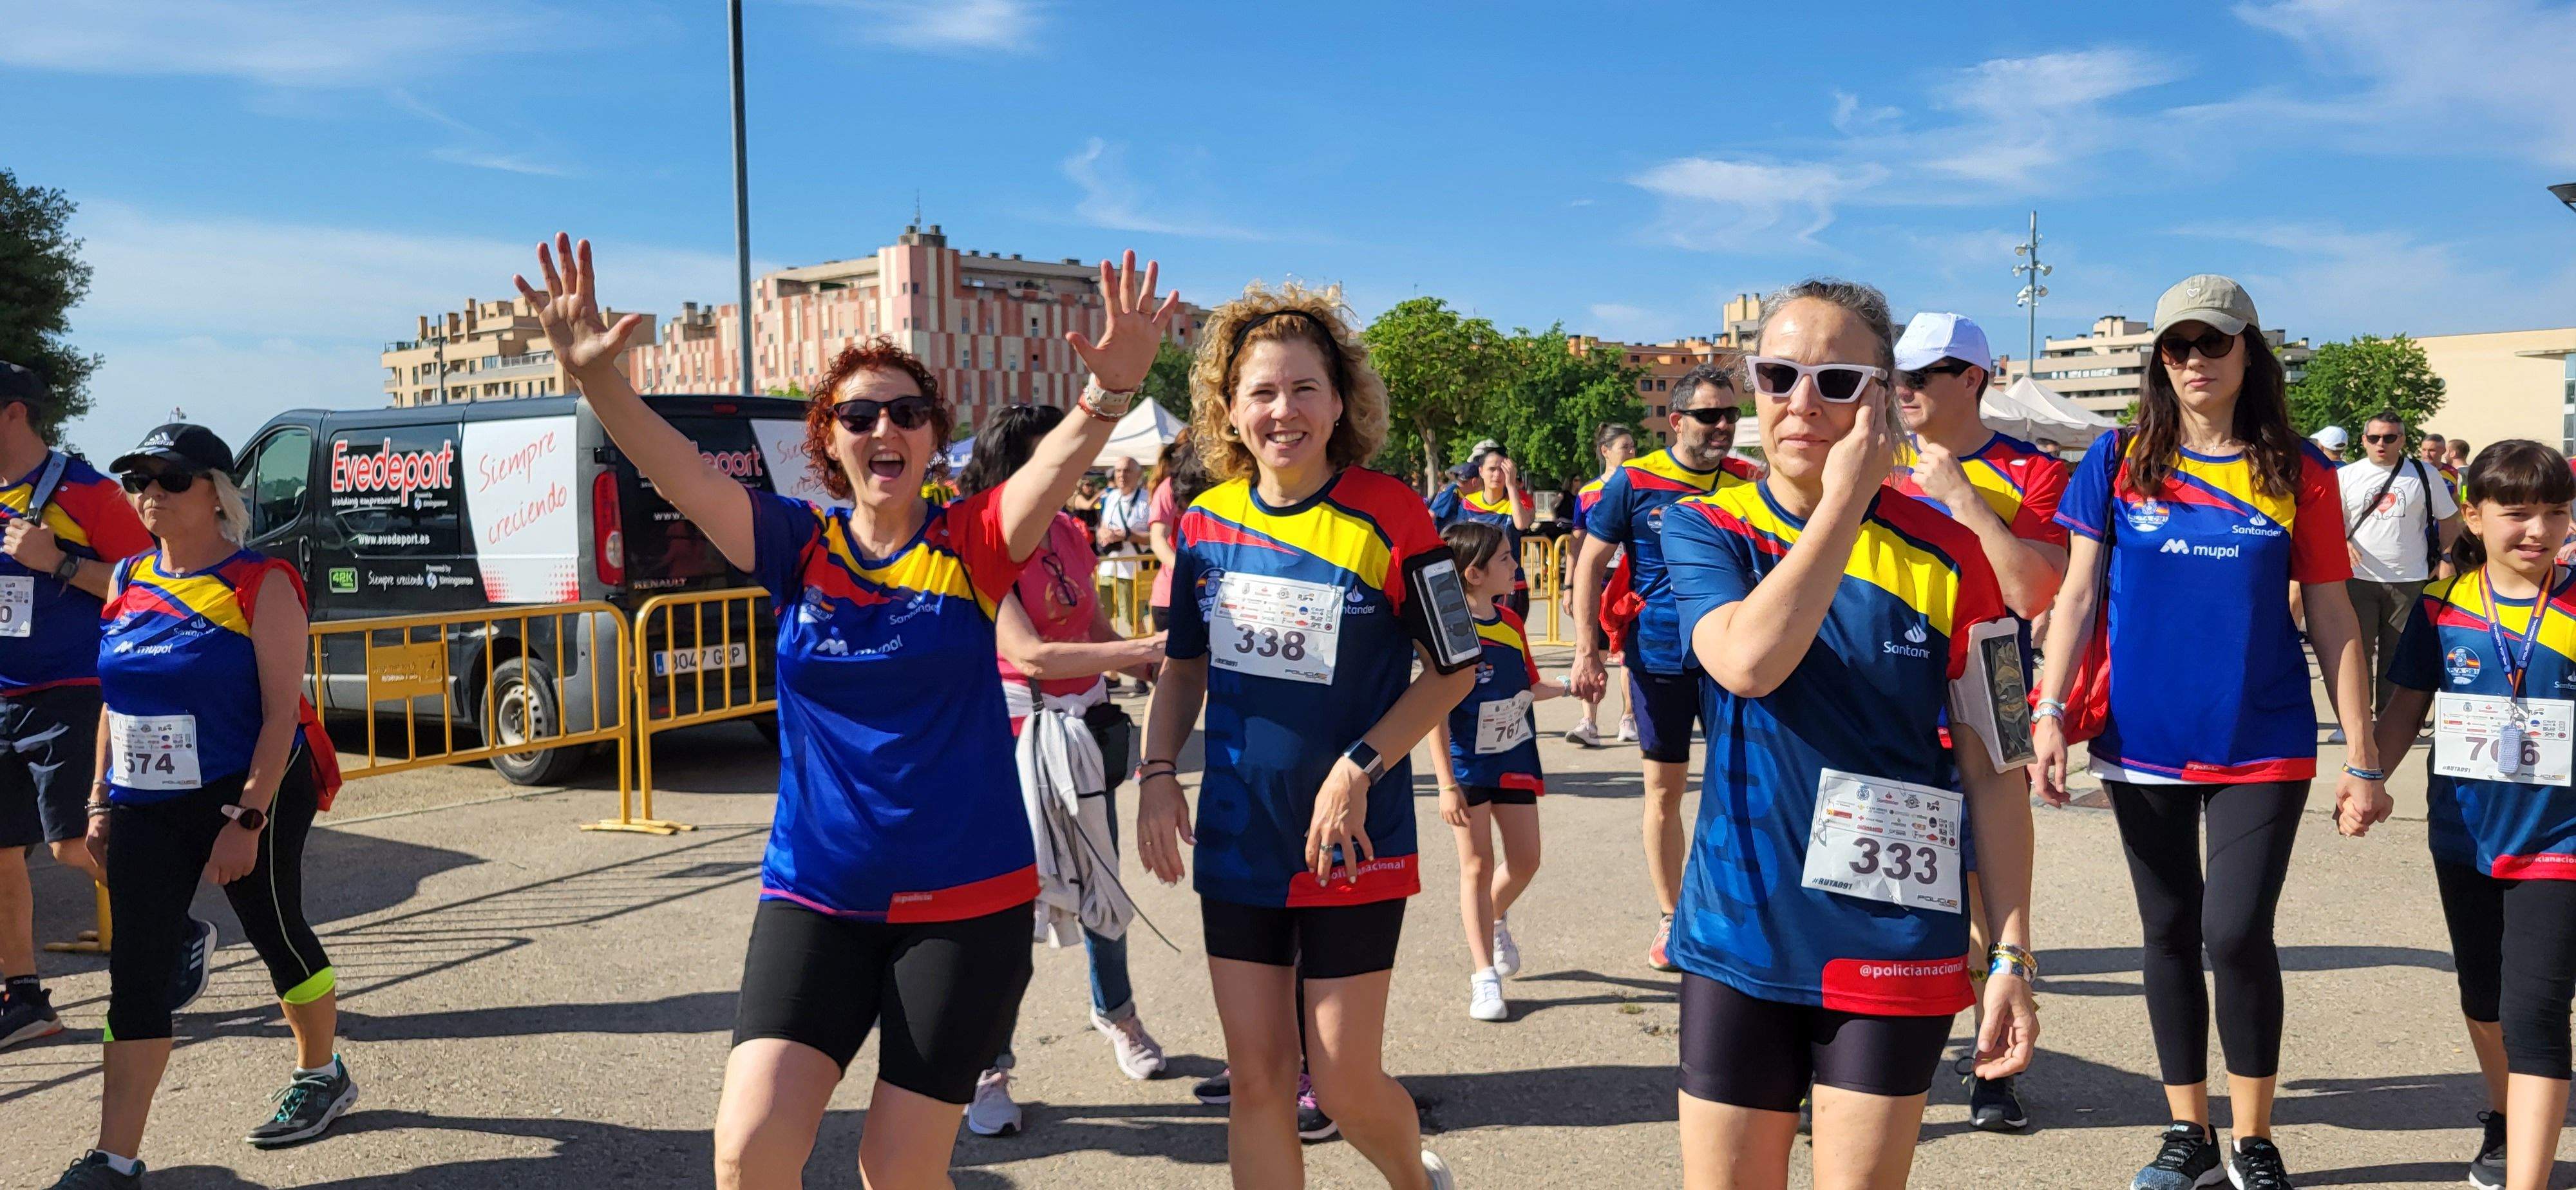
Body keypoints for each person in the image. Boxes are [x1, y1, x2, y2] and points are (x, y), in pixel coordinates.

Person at [511, 235, 1174, 1188]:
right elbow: (680, 472)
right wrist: (596, 379)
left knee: (896, 1169)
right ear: (828, 441)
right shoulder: (796, 546)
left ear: (932, 437)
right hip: (817, 896)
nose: (882, 428)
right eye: (858, 415)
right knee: (748, 1151)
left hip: (965, 904)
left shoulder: (973, 542)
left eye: (906, 412)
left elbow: (1057, 466)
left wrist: (1109, 392)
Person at [1661, 279, 2038, 1190]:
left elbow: (2000, 767)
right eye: (1778, 375)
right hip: (1740, 930)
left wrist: (2012, 953)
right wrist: (1843, 504)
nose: (1801, 402)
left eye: (1835, 381)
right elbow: (1747, 662)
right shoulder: (1705, 526)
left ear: (1880, 397)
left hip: (1894, 934)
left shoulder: (1953, 554)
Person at [2033, 274, 2388, 1190]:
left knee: (2234, 935)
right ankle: (2185, 1130)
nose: (2195, 359)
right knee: (2167, 932)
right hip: (2140, 739)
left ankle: (2253, 1138)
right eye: (2177, 345)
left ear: (2247, 352)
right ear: (2159, 359)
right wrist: (2047, 710)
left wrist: (2363, 756)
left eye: (2214, 342)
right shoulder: (2116, 458)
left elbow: (2334, 614)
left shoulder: (2298, 468)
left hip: (2262, 736)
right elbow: (2076, 595)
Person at [1133, 282, 1478, 1189]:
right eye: (1261, 392)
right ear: (1229, 409)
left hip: (1352, 837)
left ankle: (1416, 1181)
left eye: (1303, 389)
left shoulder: (1392, 514)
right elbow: (1183, 669)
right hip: (1242, 833)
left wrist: (1360, 765)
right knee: (1257, 1080)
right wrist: (1158, 770)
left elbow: (1456, 668)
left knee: (1342, 1081)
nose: (1282, 411)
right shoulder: (1205, 523)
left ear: (1339, 402)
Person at [49, 423, 351, 1190]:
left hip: (248, 786)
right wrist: (98, 802)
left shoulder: (260, 581)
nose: (151, 493)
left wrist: (246, 819)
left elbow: (281, 715)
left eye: (171, 478)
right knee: (136, 973)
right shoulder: (126, 578)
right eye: (139, 479)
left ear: (217, 493)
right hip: (145, 799)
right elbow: (115, 702)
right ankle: (114, 1159)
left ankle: (321, 1072)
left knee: (274, 927)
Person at [954, 405, 1171, 1138]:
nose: (1074, 464)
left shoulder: (1069, 531)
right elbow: (1031, 654)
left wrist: (1145, 662)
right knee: (1008, 907)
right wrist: (1140, 650)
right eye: (1059, 452)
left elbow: (1090, 627)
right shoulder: (983, 537)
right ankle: (988, 1065)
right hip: (1014, 741)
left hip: (1086, 731)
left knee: (1102, 878)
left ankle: (1118, 1014)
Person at [2374, 439, 2575, 1190]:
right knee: (2482, 996)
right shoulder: (2441, 606)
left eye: (2554, 512)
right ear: (2475, 514)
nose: (2537, 530)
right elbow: (2404, 707)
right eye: (2516, 513)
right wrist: (2365, 777)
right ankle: (2504, 1115)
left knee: (2536, 1012)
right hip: (2464, 832)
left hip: (2561, 838)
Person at [1886, 311, 2069, 1134]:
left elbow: (2032, 592)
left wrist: (1961, 496)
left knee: (1992, 887)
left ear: (1971, 379)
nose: (1902, 390)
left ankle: (1992, 1060)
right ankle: (1863, 1058)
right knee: (1890, 876)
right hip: (1893, 664)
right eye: (1896, 375)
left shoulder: (2033, 470)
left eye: (1919, 375)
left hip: (1994, 667)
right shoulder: (1872, 457)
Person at [1566, 363, 1756, 972]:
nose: (1723, 425)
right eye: (1709, 415)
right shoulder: (1635, 479)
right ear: (1676, 421)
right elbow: (1589, 566)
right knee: (1665, 791)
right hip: (1660, 657)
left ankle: (1735, 912)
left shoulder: (1747, 480)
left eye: (1731, 414)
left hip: (1735, 658)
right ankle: (1672, 916)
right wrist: (1587, 649)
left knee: (1742, 787)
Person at [0, 361, 155, 1053]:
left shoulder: (88, 492)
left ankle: (178, 926)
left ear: (15, 413)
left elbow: (150, 586)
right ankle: (24, 999)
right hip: (3, 695)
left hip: (73, 692)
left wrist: (58, 562)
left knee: (73, 845)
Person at [1426, 520, 1562, 1023]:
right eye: (1505, 558)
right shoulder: (1451, 626)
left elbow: (1528, 685)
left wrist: (1573, 685)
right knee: (1477, 866)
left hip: (1513, 755)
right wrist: (1445, 784)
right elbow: (1434, 710)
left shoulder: (1510, 621)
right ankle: (1484, 976)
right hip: (1467, 763)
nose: (1515, 565)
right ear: (1474, 573)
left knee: (1526, 860)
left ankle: (1492, 916)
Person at [2341, 409, 2463, 712]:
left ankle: (2388, 721)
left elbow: (2449, 518)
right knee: (2356, 653)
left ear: (2402, 440)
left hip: (2409, 577)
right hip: (2358, 577)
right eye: (2374, 438)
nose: (2381, 444)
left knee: (2398, 655)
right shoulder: (2345, 475)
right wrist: (2342, 543)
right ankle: (2356, 721)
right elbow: (2329, 521)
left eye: (2389, 437)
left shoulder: (2424, 474)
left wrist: (2447, 557)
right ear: (2364, 441)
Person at [1567, 424, 1638, 748]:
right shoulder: (1589, 493)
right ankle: (1589, 721)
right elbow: (1577, 544)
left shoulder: (1640, 487)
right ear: (1605, 451)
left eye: (1634, 446)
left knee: (1626, 652)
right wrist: (1570, 586)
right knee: (1592, 647)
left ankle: (1629, 717)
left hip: (1629, 579)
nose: (1632, 452)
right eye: (1625, 446)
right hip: (1597, 579)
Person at [1434, 448, 1535, 618]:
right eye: (1492, 469)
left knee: (1507, 631)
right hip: (1475, 585)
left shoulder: (1517, 500)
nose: (1497, 475)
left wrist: (1511, 485)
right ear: (1481, 471)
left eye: (1502, 470)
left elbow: (1521, 524)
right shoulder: (1468, 502)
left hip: (1508, 583)